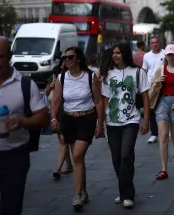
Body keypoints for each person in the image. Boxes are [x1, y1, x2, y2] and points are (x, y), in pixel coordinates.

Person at [51, 47, 105, 210]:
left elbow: (99, 102)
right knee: (78, 159)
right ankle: (83, 191)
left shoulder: (90, 77)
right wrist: (54, 118)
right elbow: (56, 101)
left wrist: (100, 124)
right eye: (65, 57)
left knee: (77, 154)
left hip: (87, 118)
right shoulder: (62, 78)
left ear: (78, 59)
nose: (66, 60)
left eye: (70, 57)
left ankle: (77, 196)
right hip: (69, 119)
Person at [0, 37, 50, 215]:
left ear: (10, 57)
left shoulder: (25, 85)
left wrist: (23, 122)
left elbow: (43, 117)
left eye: (0, 56)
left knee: (11, 207)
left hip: (14, 156)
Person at [99, 42, 150, 208]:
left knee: (126, 154)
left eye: (118, 53)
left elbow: (145, 97)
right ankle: (124, 189)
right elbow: (105, 99)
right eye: (113, 53)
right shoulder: (108, 74)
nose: (115, 55)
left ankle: (127, 194)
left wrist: (146, 121)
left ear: (125, 54)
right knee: (116, 158)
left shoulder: (137, 72)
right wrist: (101, 122)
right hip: (112, 121)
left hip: (131, 119)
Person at [151, 44, 174, 180]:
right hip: (162, 102)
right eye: (169, 54)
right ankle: (164, 169)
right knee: (163, 137)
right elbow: (152, 86)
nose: (171, 57)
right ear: (165, 55)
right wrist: (156, 82)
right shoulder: (161, 69)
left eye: (173, 54)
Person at [45, 63, 73, 180]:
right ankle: (69, 164)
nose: (63, 67)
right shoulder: (53, 78)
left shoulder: (71, 79)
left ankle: (58, 168)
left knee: (63, 139)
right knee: (62, 140)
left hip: (67, 112)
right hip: (56, 112)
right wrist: (50, 87)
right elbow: (45, 93)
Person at [142, 36, 165, 143]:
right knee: (151, 109)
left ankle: (166, 131)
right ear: (150, 44)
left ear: (159, 43)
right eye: (153, 43)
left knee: (165, 107)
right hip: (151, 86)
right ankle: (154, 133)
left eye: (156, 42)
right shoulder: (147, 56)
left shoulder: (165, 53)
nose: (155, 44)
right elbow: (144, 71)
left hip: (164, 84)